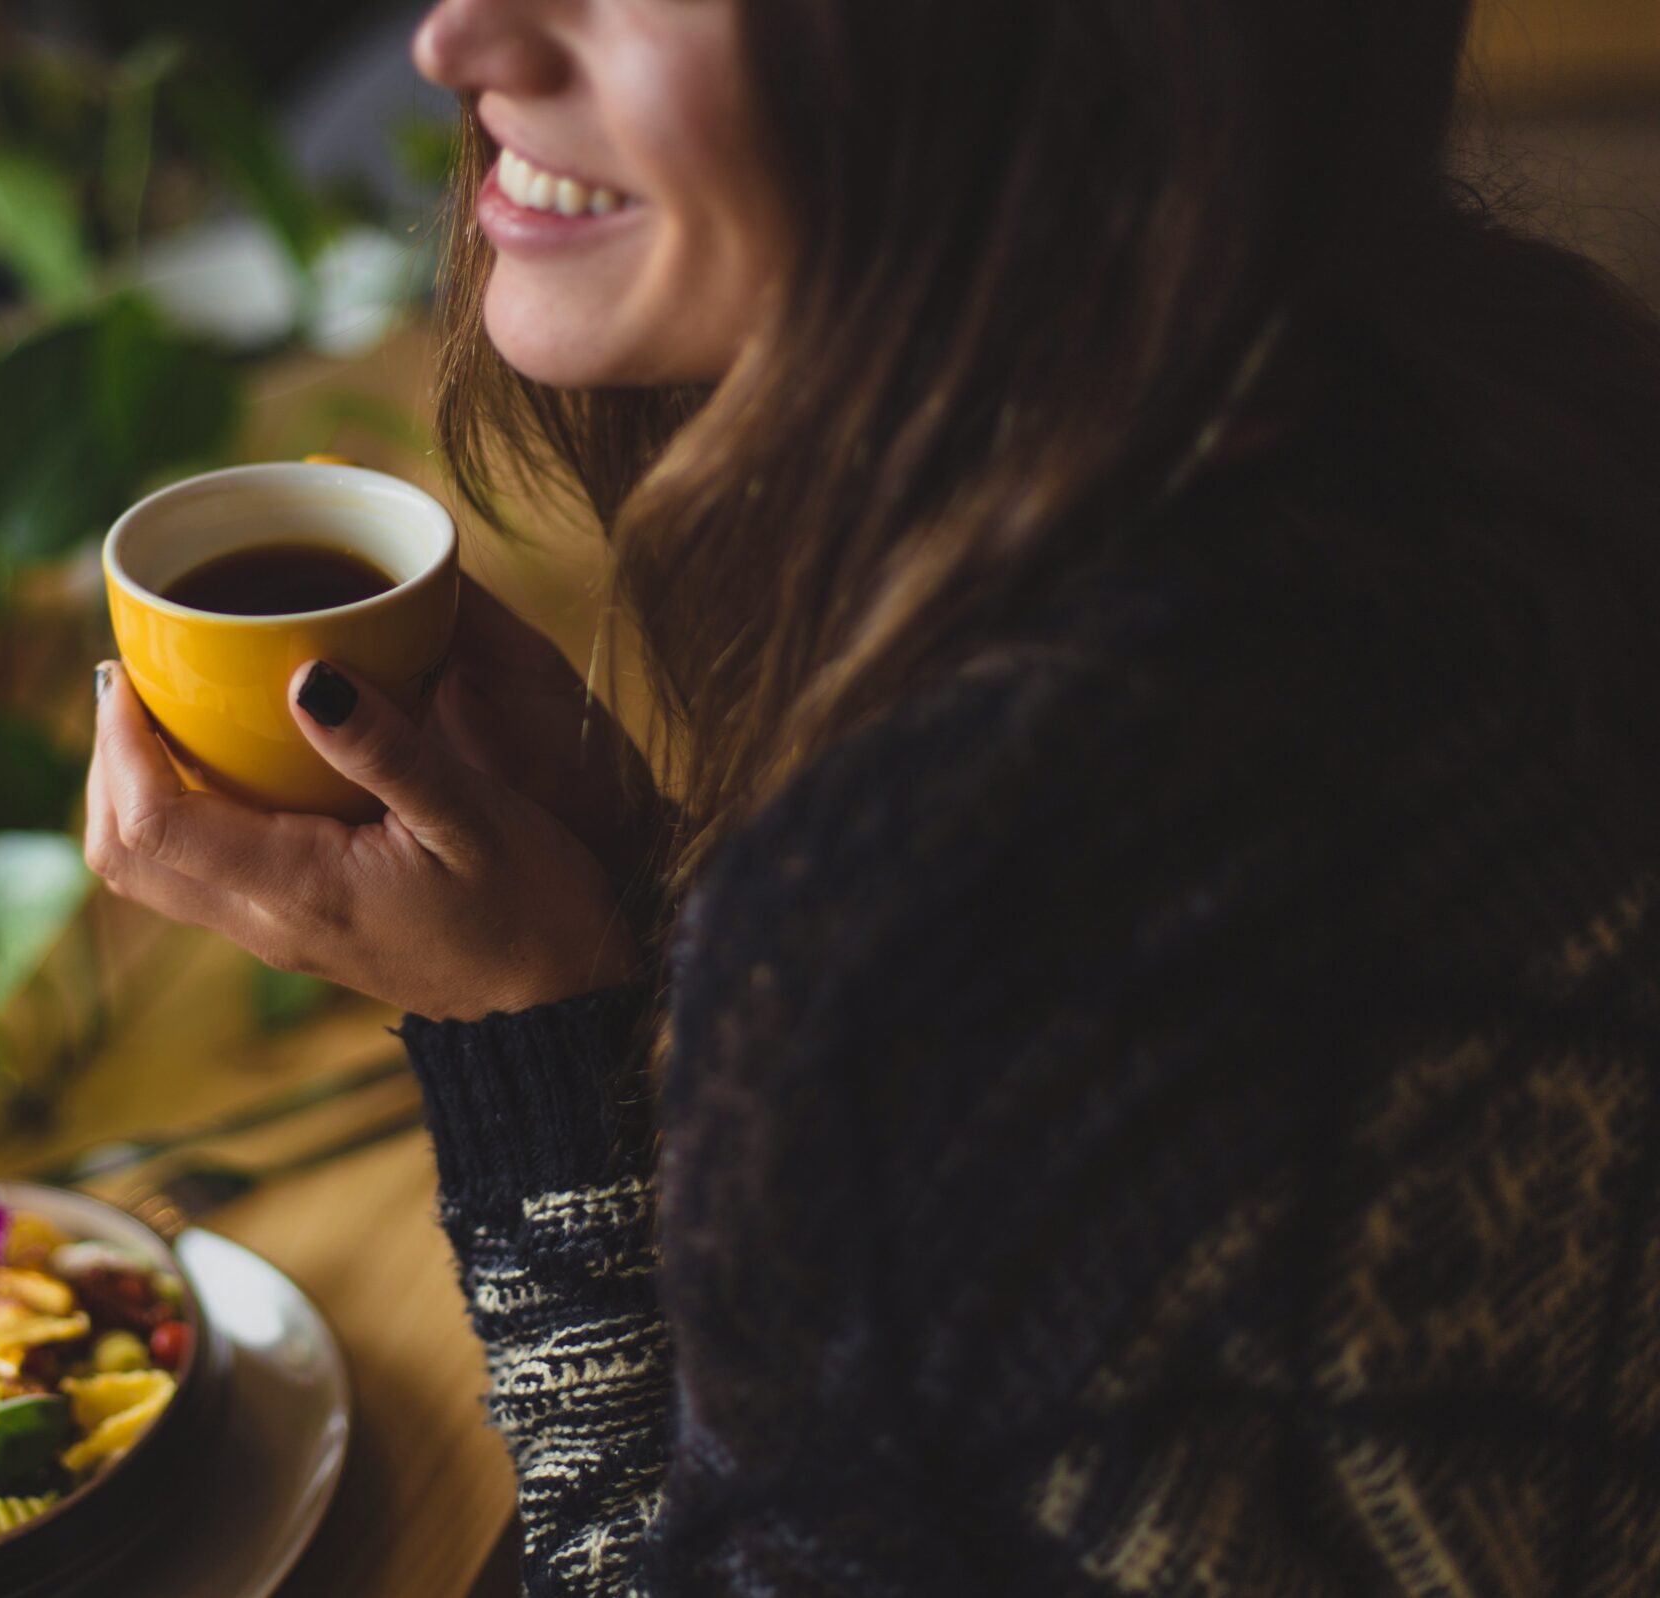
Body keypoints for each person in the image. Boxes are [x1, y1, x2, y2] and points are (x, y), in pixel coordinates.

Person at [87, 0, 1660, 1591]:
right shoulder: (1539, 398)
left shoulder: (968, 902)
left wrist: (542, 1058)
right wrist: (665, 909)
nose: (456, 37)